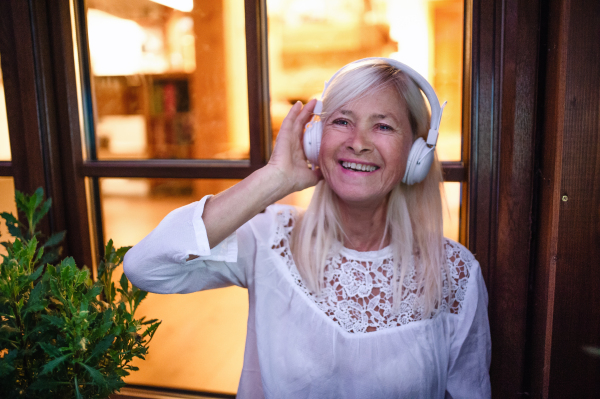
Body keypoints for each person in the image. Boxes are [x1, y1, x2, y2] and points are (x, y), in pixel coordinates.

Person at [124, 58, 491, 398]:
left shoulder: (454, 272)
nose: (358, 143)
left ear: (417, 154)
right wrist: (275, 178)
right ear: (316, 141)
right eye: (342, 121)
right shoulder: (269, 240)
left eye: (383, 126)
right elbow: (146, 268)